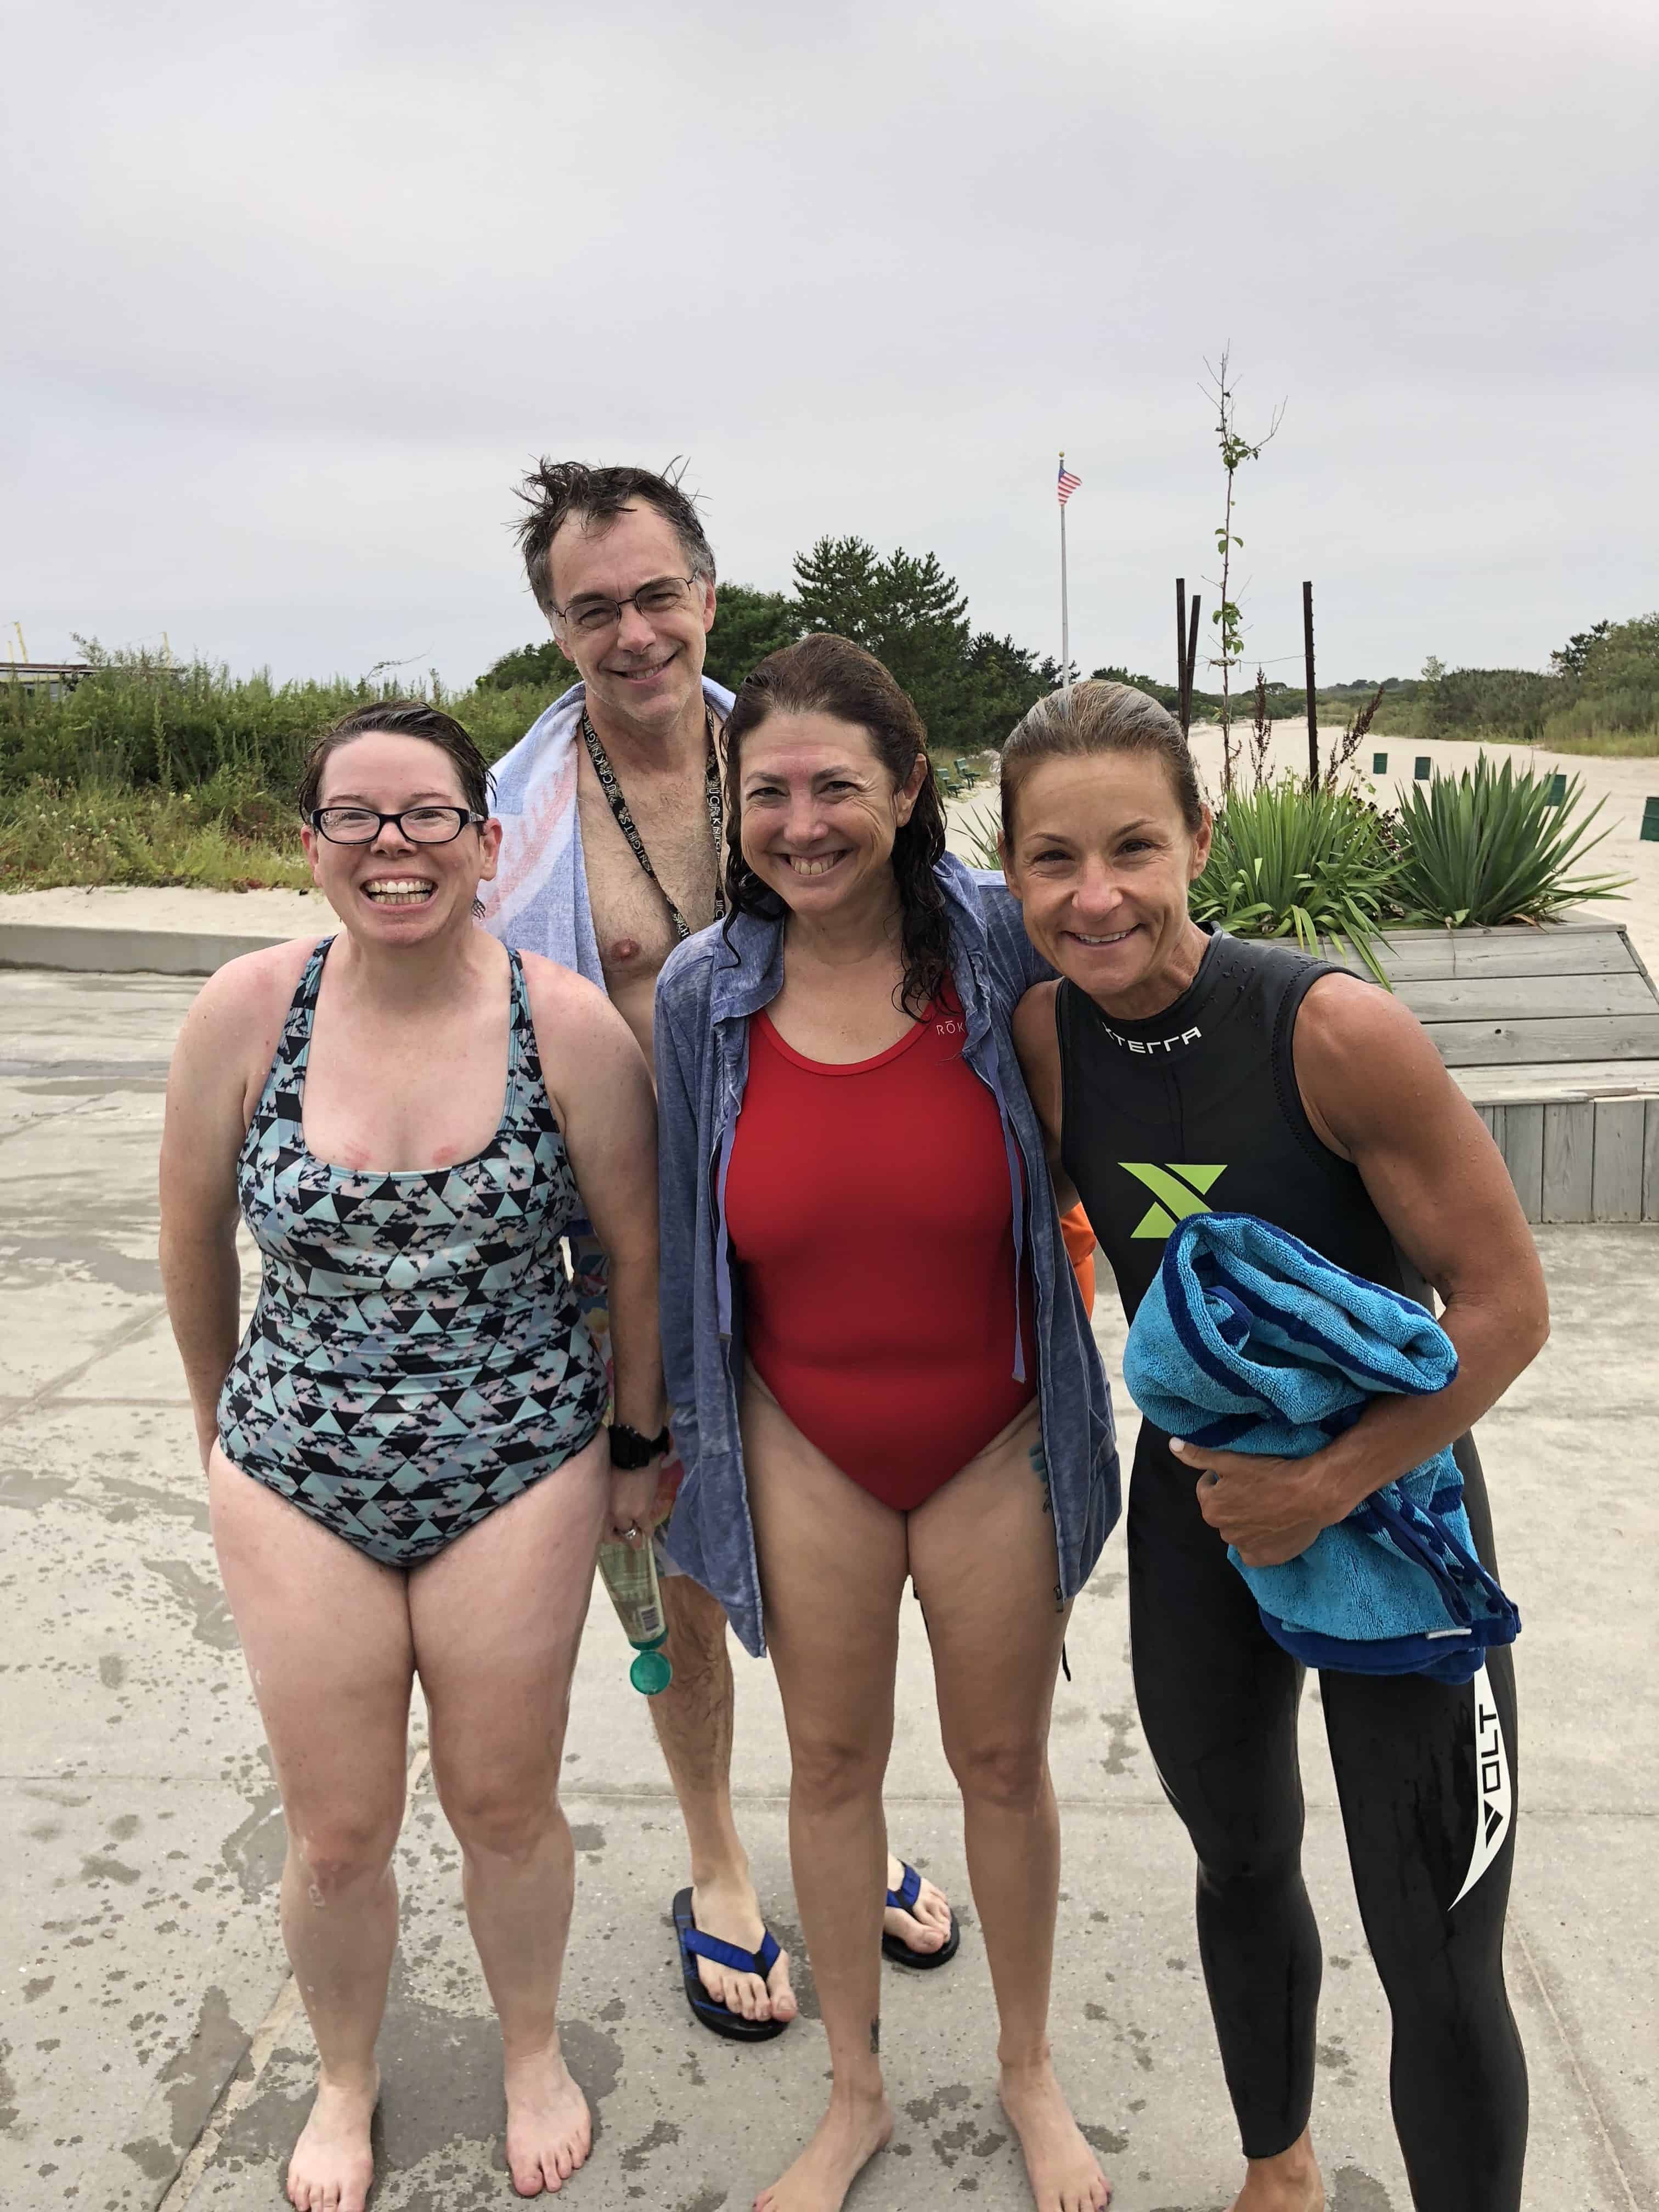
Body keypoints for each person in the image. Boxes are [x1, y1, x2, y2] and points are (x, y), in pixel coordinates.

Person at [1002, 680, 1546, 2212]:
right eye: (1053, 859)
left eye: (1132, 847)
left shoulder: (1329, 1029)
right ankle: (1279, 2169)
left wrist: (1329, 1481)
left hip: (1394, 1521)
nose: (1095, 895)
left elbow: (1507, 1305)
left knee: (1436, 1944)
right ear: (1013, 870)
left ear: (1200, 840)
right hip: (1205, 1521)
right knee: (1240, 1865)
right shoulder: (1047, 1038)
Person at [159, 701, 664, 2212]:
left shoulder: (562, 1024)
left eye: (429, 816)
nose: (396, 847)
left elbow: (633, 1263)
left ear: (488, 842)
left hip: (519, 1460)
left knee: (505, 1803)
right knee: (336, 1830)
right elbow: (189, 1245)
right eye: (359, 819)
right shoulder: (248, 1012)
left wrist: (638, 1446)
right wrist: (216, 1436)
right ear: (308, 846)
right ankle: (344, 2078)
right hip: (295, 1466)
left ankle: (527, 2050)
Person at [480, 460, 962, 2033]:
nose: (633, 632)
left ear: (709, 590)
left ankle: (856, 1824)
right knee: (674, 1571)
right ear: (558, 626)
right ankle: (716, 1859)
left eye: (657, 593)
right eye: (593, 607)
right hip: (629, 1257)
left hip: (820, 1231)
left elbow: (953, 925)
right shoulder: (519, 822)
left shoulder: (802, 760)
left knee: (850, 1554)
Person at [655, 635, 1120, 2212]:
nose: (801, 822)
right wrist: (651, 1446)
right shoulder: (702, 992)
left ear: (909, 789)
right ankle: (854, 2091)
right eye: (766, 791)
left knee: (1003, 1761)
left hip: (997, 1430)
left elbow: (1167, 996)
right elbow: (669, 1229)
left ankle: (1027, 2068)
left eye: (836, 786)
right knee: (833, 1764)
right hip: (801, 1441)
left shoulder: (1003, 946)